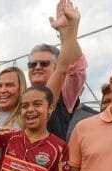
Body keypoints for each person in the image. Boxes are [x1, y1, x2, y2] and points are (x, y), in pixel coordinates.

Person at [28, 0, 86, 140]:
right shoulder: (22, 94)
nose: (37, 67)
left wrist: (66, 32)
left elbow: (76, 68)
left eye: (44, 63)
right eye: (32, 64)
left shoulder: (64, 94)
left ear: (56, 67)